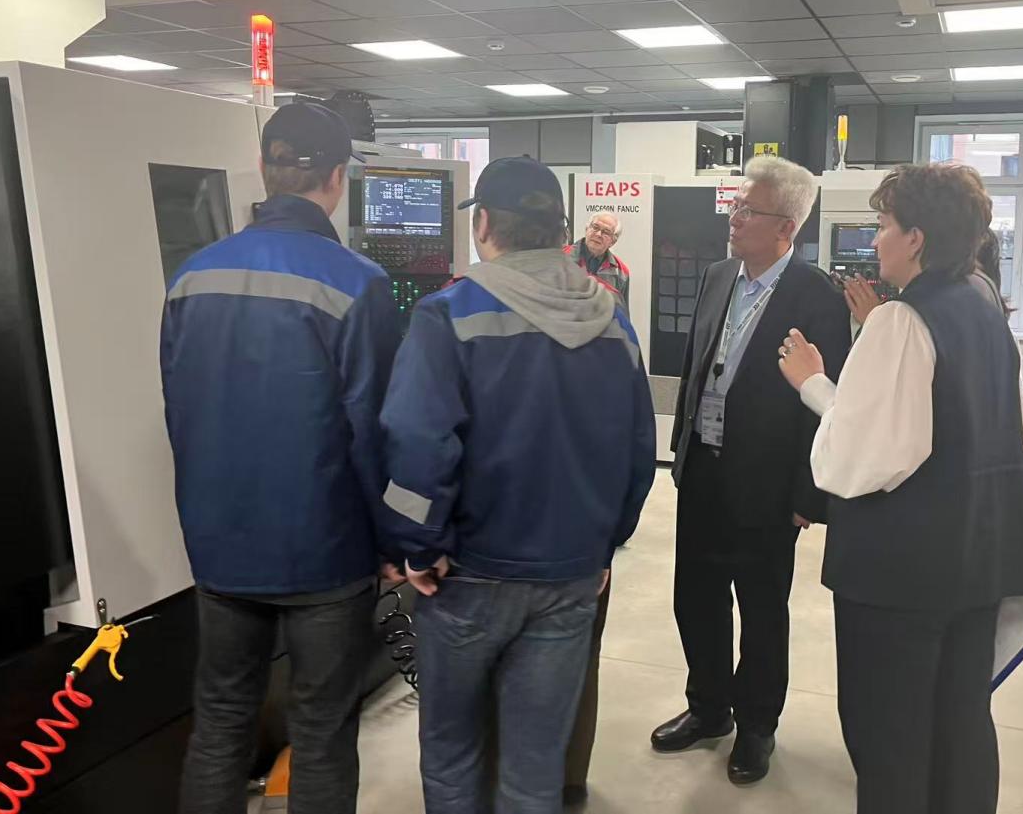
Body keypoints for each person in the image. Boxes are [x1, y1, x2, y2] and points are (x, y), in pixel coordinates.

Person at [379, 156, 656, 814]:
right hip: (570, 577)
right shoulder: (612, 317)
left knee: (452, 752)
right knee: (535, 769)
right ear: (560, 228)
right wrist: (602, 546)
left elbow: (417, 443)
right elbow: (639, 452)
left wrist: (418, 546)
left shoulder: (447, 314)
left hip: (466, 575)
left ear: (483, 223)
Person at [776, 162, 1023, 814]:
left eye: (882, 225)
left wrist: (812, 383)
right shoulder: (983, 301)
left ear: (916, 238)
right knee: (960, 725)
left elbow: (858, 460)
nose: (874, 240)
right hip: (977, 560)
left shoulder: (900, 322)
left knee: (890, 737)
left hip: (899, 579)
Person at [162, 102, 402, 814]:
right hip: (325, 553)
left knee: (220, 720)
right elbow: (375, 431)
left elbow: (179, 410)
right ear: (338, 177)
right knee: (322, 729)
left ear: (265, 169)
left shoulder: (190, 276)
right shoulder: (358, 282)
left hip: (219, 547)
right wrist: (397, 542)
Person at [651, 155, 852, 785]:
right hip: (703, 471)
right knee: (695, 597)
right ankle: (708, 708)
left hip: (767, 485)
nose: (733, 218)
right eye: (735, 206)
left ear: (786, 227)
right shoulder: (718, 277)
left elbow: (827, 402)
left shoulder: (816, 296)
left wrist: (807, 496)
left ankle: (757, 725)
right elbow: (696, 367)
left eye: (748, 210)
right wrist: (680, 452)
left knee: (762, 610)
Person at [566, 212, 630, 306]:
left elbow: (621, 311)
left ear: (613, 241)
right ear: (587, 229)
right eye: (595, 227)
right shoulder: (560, 258)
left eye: (606, 232)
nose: (598, 234)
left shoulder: (620, 272)